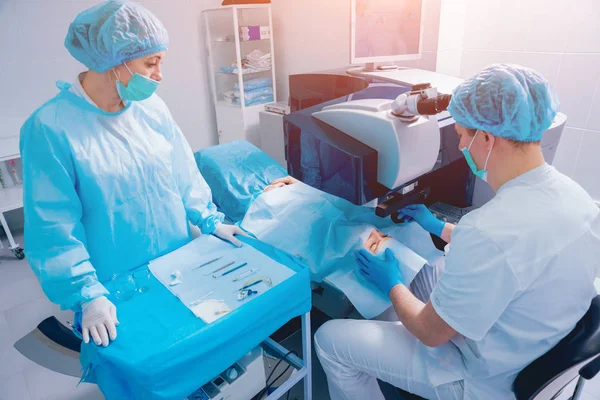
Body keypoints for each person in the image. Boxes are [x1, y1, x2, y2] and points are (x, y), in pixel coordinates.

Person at [314, 64, 600, 399]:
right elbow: (517, 250)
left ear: (488, 138)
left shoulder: (490, 230)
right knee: (434, 268)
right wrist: (436, 226)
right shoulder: (578, 198)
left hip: (484, 380)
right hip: (538, 342)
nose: (461, 144)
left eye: (462, 135)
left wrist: (391, 283)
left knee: (330, 339)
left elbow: (429, 332)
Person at [20, 1, 245, 348]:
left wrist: (210, 220)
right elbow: (53, 223)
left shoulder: (151, 108)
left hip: (176, 260)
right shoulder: (49, 128)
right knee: (142, 358)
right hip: (112, 281)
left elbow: (182, 171)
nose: (159, 75)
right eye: (150, 63)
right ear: (113, 61)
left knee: (188, 346)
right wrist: (87, 292)